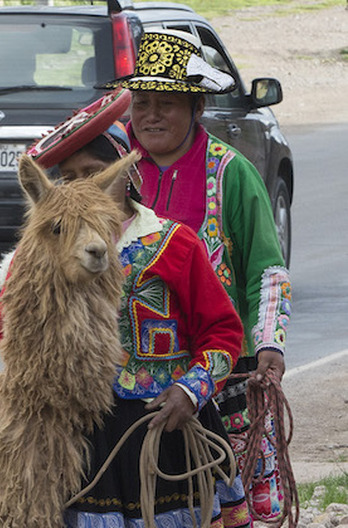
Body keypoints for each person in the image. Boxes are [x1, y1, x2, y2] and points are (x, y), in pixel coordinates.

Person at [0, 91, 251, 527]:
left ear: (121, 175)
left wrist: (192, 391)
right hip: (82, 435)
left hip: (167, 426)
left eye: (94, 174)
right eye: (69, 178)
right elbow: (8, 330)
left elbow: (222, 332)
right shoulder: (40, 252)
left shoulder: (172, 243)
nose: (83, 188)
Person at [98, 29, 292, 521]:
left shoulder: (231, 174)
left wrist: (269, 342)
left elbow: (266, 267)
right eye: (142, 103)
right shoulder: (116, 178)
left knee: (234, 498)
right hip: (136, 385)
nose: (152, 115)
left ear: (197, 107)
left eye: (167, 102)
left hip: (222, 372)